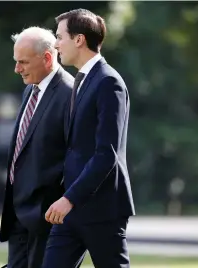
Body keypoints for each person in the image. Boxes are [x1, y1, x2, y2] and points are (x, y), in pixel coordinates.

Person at [42, 9, 135, 268]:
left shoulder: (109, 83)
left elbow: (107, 154)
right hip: (71, 208)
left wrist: (69, 198)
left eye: (60, 37)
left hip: (101, 209)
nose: (56, 43)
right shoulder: (82, 80)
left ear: (79, 40)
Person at [0, 26, 73, 268]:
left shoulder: (71, 94)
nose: (16, 69)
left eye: (23, 62)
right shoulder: (29, 90)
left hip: (47, 217)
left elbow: (76, 155)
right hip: (18, 212)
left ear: (48, 58)